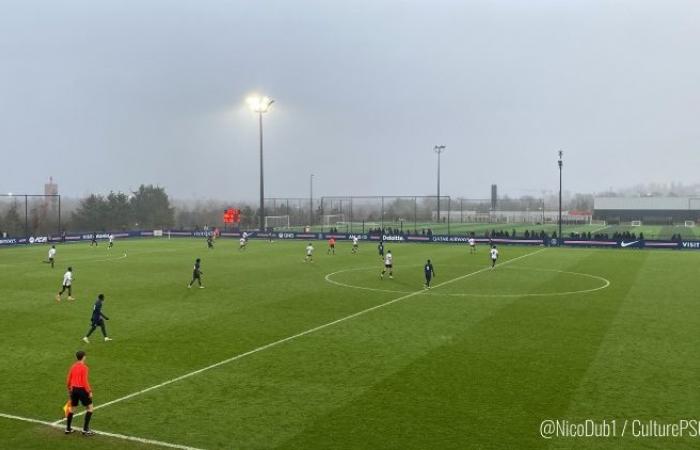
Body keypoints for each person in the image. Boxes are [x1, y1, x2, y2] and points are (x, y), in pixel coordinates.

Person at [64, 350, 96, 436]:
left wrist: (69, 389)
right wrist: (89, 391)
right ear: (84, 357)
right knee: (90, 408)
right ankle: (85, 430)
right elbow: (85, 381)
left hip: (73, 389)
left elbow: (68, 379)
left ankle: (68, 428)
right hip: (82, 390)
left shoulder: (73, 366)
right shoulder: (85, 368)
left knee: (73, 409)